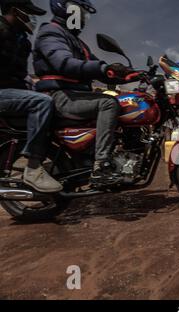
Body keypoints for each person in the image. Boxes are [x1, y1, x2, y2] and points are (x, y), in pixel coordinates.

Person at [33, 0, 135, 187]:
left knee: (127, 101)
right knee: (108, 103)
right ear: (66, 9)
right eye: (80, 13)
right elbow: (63, 63)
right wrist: (105, 69)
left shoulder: (77, 42)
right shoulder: (51, 32)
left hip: (74, 95)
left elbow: (99, 69)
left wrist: (129, 75)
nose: (83, 18)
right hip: (61, 95)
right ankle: (101, 166)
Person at [0, 0, 63, 193]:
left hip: (10, 90)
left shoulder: (22, 40)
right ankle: (33, 167)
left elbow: (19, 74)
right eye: (28, 12)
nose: (33, 18)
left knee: (53, 100)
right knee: (42, 102)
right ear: (13, 10)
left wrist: (35, 85)